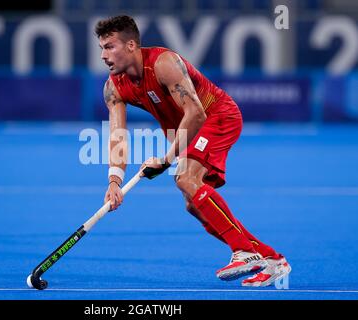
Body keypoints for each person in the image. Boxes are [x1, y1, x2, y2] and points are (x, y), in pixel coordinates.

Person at [96, 15, 291, 287]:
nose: (104, 55)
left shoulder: (164, 63)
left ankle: (245, 252)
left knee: (185, 179)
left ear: (131, 46)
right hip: (187, 130)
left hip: (216, 116)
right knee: (195, 205)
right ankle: (271, 259)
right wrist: (114, 182)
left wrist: (165, 159)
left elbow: (196, 113)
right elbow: (117, 136)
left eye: (110, 46)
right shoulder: (113, 87)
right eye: (102, 48)